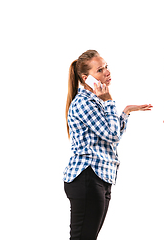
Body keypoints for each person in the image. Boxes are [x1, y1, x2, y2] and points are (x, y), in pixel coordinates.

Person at [64, 50, 152, 240]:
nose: (107, 72)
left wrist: (126, 112)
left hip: (100, 178)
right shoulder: (84, 103)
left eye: (106, 67)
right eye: (100, 70)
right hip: (87, 176)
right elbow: (112, 135)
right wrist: (110, 101)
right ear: (85, 78)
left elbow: (110, 136)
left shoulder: (96, 101)